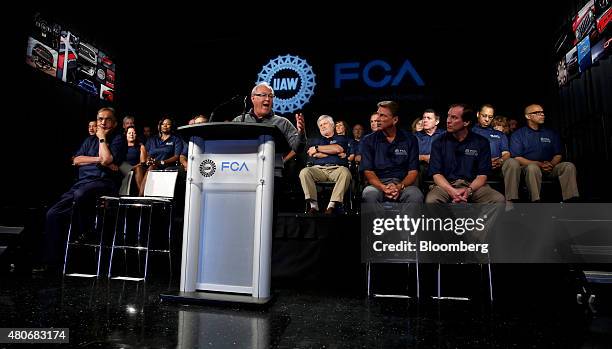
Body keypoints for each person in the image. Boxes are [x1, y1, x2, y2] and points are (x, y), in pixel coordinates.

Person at [43, 107, 126, 270]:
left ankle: (85, 231)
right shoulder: (88, 140)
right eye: (100, 118)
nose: (103, 122)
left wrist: (102, 139)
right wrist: (99, 159)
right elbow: (77, 160)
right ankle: (53, 262)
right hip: (81, 183)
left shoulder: (118, 139)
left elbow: (108, 158)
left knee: (82, 195)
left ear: (114, 123)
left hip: (104, 183)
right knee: (52, 214)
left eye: (107, 119)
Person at [426, 104, 505, 204]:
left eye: (454, 117)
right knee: (432, 200)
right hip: (446, 185)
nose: (448, 120)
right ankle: (447, 220)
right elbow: (436, 174)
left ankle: (479, 220)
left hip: (473, 185)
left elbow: (482, 175)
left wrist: (469, 191)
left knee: (498, 199)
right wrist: (452, 191)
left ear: (466, 122)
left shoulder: (481, 142)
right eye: (448, 116)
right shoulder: (438, 142)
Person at [231, 82, 305, 176]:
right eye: (263, 95)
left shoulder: (283, 123)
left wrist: (301, 132)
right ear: (253, 98)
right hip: (243, 170)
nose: (267, 99)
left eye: (270, 96)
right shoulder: (239, 120)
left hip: (273, 173)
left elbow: (298, 148)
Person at [510, 104, 579, 202]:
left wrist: (551, 164)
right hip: (529, 168)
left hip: (550, 167)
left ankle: (571, 201)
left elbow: (558, 154)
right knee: (532, 168)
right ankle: (536, 202)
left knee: (568, 166)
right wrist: (539, 164)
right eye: (537, 113)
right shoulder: (518, 135)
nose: (542, 115)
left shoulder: (551, 133)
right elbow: (516, 157)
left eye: (542, 112)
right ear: (528, 116)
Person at [361, 101, 423, 203]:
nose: (378, 119)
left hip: (403, 184)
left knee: (415, 195)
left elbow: (413, 171)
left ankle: (407, 220)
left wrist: (399, 187)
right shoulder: (369, 140)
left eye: (383, 115)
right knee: (369, 194)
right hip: (377, 183)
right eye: (378, 114)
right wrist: (383, 187)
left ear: (395, 120)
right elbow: (368, 171)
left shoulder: (410, 139)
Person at [299, 115, 352, 215]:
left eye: (325, 124)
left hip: (336, 169)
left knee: (346, 173)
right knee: (304, 172)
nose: (322, 126)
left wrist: (318, 149)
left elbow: (338, 149)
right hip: (318, 169)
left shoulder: (341, 138)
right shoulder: (314, 140)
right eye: (320, 125)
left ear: (332, 125)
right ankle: (314, 206)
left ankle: (331, 205)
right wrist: (332, 151)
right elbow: (312, 153)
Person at [471, 104, 520, 203]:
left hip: (497, 166)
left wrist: (500, 160)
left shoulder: (499, 134)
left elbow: (506, 153)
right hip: (477, 169)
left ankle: (510, 200)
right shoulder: (469, 132)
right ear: (478, 114)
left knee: (512, 162)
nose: (487, 119)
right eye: (484, 116)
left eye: (490, 117)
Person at [125, 126, 148, 195]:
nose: (131, 134)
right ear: (126, 134)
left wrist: (133, 167)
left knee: (138, 168)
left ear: (136, 135)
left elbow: (142, 162)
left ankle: (141, 196)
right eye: (129, 133)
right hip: (123, 168)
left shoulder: (141, 146)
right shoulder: (121, 146)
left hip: (137, 168)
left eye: (133, 133)